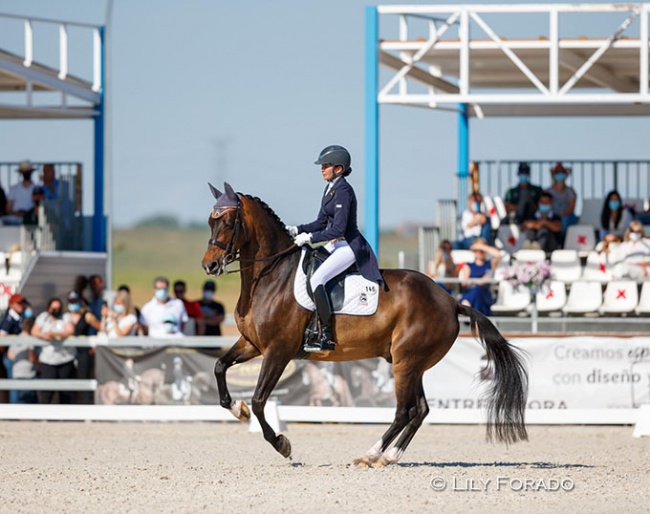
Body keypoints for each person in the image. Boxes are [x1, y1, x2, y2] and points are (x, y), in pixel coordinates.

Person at [287, 145, 383, 352]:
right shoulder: (330, 188)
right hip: (334, 244)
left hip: (348, 245)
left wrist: (310, 238)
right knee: (308, 270)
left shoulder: (343, 191)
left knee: (317, 279)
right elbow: (321, 222)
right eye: (322, 166)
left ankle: (327, 334)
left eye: (326, 166)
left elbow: (338, 228)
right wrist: (297, 229)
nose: (322, 169)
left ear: (339, 169)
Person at [31, 297, 76, 404]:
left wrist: (54, 334)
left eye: (58, 308)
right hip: (48, 359)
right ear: (49, 308)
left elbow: (70, 330)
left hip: (65, 358)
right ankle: (45, 416)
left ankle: (64, 416)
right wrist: (43, 335)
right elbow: (34, 331)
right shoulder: (44, 317)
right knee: (47, 390)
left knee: (65, 391)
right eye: (53, 308)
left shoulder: (65, 317)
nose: (56, 310)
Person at [65, 291, 101, 404]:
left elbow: (101, 329)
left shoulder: (87, 316)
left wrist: (94, 344)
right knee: (69, 381)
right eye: (71, 302)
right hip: (67, 352)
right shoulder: (65, 316)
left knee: (84, 380)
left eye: (75, 302)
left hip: (83, 352)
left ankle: (87, 407)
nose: (73, 305)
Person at [458, 238, 501, 316]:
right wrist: (479, 281)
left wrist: (482, 246)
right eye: (478, 250)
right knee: (475, 291)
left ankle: (467, 306)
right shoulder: (469, 265)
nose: (480, 252)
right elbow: (464, 282)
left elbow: (498, 255)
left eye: (482, 250)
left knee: (478, 290)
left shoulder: (490, 264)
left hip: (484, 293)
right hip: (470, 292)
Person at [0, 293, 29, 401]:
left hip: (19, 355)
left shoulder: (20, 317)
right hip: (12, 356)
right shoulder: (9, 319)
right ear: (11, 304)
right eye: (19, 303)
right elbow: (2, 338)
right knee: (14, 383)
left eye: (23, 303)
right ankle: (15, 409)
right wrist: (7, 353)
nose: (22, 305)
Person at [6, 312, 37, 404]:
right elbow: (31, 356)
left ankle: (14, 416)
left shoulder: (16, 338)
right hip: (28, 372)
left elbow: (10, 355)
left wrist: (18, 362)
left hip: (16, 371)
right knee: (28, 400)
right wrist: (37, 362)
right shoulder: (30, 339)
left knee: (16, 397)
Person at [545, 162, 578, 242]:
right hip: (552, 216)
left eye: (561, 173)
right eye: (557, 173)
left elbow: (571, 208)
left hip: (566, 217)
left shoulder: (570, 191)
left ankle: (562, 241)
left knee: (565, 221)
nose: (559, 175)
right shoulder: (547, 191)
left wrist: (560, 215)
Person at [5, 160, 37, 225]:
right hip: (14, 221)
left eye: (28, 171)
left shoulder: (36, 189)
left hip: (30, 220)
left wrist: (27, 214)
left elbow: (38, 207)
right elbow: (8, 209)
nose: (26, 173)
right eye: (25, 171)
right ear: (21, 173)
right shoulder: (14, 189)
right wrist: (17, 213)